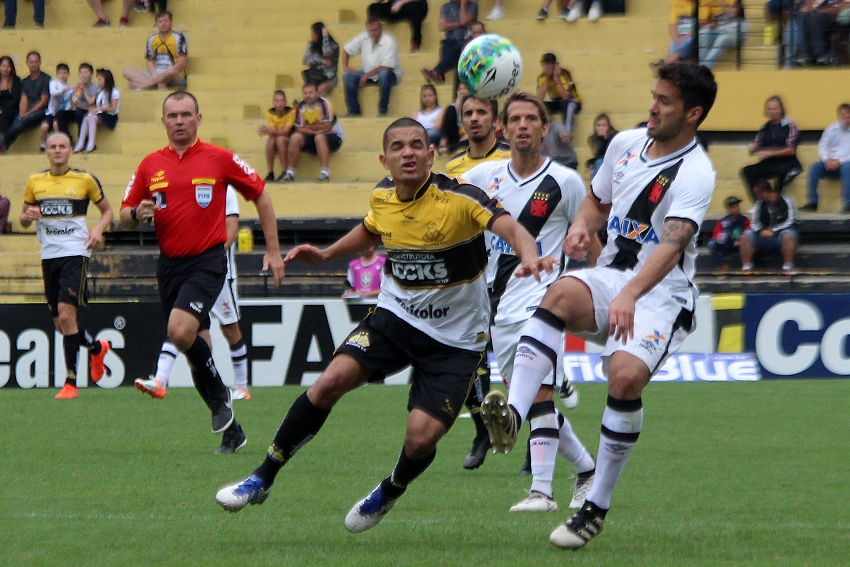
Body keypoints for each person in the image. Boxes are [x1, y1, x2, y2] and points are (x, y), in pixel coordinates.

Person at [214, 117, 550, 533]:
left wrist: (530, 255)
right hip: (395, 319)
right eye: (397, 146)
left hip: (457, 340)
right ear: (384, 159)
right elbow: (371, 231)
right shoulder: (383, 195)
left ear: (431, 155)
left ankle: (390, 489)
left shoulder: (461, 198)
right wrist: (326, 254)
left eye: (416, 145)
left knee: (421, 438)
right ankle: (262, 476)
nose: (407, 152)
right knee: (328, 383)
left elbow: (513, 228)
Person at [478, 63, 718, 549]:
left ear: (693, 114)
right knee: (560, 292)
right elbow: (595, 201)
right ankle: (516, 415)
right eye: (654, 96)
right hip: (613, 276)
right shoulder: (625, 145)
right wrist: (582, 228)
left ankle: (596, 506)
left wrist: (631, 294)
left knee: (625, 379)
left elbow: (673, 244)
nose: (653, 107)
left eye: (666, 102)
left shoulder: (696, 171)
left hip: (662, 294)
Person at [120, 91, 285, 453]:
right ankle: (231, 427)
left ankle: (223, 400)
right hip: (169, 266)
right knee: (199, 352)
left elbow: (261, 195)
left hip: (208, 262)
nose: (179, 121)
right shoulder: (150, 165)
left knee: (179, 331)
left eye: (186, 114)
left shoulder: (219, 159)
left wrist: (273, 250)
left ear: (199, 118)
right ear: (162, 121)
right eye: (172, 115)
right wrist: (136, 214)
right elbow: (125, 213)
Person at [462, 92, 598, 513]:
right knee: (538, 399)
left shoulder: (566, 182)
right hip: (496, 306)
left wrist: (603, 289)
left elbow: (590, 238)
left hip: (544, 301)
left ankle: (542, 491)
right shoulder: (483, 177)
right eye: (515, 119)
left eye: (531, 119)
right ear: (503, 130)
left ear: (545, 128)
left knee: (535, 390)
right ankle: (587, 469)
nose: (522, 125)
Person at [135, 186, 253, 414]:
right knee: (182, 324)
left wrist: (211, 258)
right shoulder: (182, 183)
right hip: (190, 273)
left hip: (218, 272)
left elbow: (231, 228)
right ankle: (160, 380)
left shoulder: (223, 187)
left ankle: (241, 387)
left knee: (230, 328)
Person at [19, 133, 113, 399]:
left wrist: (97, 230)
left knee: (66, 315)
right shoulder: (35, 182)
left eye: (62, 146)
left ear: (71, 151)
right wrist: (27, 215)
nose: (57, 151)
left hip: (75, 253)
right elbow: (24, 219)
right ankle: (96, 349)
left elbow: (108, 211)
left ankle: (70, 383)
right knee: (61, 325)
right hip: (49, 256)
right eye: (52, 147)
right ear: (45, 152)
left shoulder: (84, 180)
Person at [739, 95, 802, 199]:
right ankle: (758, 203)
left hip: (788, 163)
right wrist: (753, 148)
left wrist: (769, 153)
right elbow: (758, 145)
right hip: (770, 163)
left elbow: (791, 150)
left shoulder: (789, 125)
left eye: (775, 108)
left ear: (781, 109)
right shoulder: (765, 128)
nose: (772, 112)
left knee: (781, 173)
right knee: (747, 171)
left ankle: (779, 201)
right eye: (769, 109)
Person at [281, 83, 344, 183]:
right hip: (314, 136)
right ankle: (290, 173)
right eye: (305, 93)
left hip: (333, 136)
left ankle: (325, 173)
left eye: (311, 92)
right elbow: (298, 128)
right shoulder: (300, 106)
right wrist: (315, 130)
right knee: (295, 137)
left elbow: (327, 126)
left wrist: (307, 127)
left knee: (319, 137)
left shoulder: (324, 104)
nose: (308, 95)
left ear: (317, 93)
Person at [342, 18, 403, 117]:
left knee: (384, 74)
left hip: (390, 74)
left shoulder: (389, 41)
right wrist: (346, 67)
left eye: (375, 30)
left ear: (381, 29)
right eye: (370, 30)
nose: (373, 33)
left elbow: (387, 67)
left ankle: (383, 110)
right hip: (368, 73)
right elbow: (346, 49)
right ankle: (354, 111)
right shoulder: (364, 37)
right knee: (348, 75)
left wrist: (367, 75)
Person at [740, 179, 798, 272]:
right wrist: (761, 231)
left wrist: (774, 231)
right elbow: (754, 222)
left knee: (788, 235)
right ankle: (747, 267)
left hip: (780, 234)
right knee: (745, 236)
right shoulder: (759, 204)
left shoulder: (787, 200)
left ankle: (788, 266)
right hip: (763, 234)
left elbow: (790, 220)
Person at [801, 103, 850, 213]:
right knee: (815, 167)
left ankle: (848, 204)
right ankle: (813, 202)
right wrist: (826, 159)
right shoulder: (831, 129)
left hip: (846, 164)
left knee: (847, 168)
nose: (846, 119)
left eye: (848, 116)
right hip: (830, 163)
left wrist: (839, 161)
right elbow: (822, 145)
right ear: (839, 116)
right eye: (844, 116)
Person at [123, 11, 188, 91]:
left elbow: (183, 62)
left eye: (165, 21)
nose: (163, 24)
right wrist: (155, 75)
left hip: (173, 75)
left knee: (170, 71)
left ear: (171, 22)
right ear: (156, 24)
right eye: (160, 21)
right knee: (127, 71)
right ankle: (157, 83)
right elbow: (150, 61)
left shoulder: (179, 37)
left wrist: (163, 75)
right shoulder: (152, 38)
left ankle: (147, 84)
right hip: (157, 74)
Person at [1, 52, 50, 153]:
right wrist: (22, 112)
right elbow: (24, 99)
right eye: (31, 62)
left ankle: (3, 140)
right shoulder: (25, 81)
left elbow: (44, 101)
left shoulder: (45, 78)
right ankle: (3, 146)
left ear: (40, 62)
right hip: (26, 111)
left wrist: (27, 113)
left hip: (41, 111)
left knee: (22, 121)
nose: (33, 64)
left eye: (36, 62)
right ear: (27, 63)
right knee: (17, 124)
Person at [420, 0, 479, 84]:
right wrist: (459, 24)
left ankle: (438, 72)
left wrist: (463, 5)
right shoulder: (446, 6)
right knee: (447, 49)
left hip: (465, 40)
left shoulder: (472, 5)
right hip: (449, 41)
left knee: (457, 49)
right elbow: (442, 26)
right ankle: (439, 73)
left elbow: (465, 20)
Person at [653, 0, 724, 67]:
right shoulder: (677, 2)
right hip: (681, 35)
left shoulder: (703, 2)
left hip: (694, 34)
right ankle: (671, 63)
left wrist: (686, 37)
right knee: (673, 43)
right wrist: (676, 38)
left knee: (689, 40)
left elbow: (701, 22)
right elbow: (672, 23)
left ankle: (666, 63)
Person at [74, 69, 119, 154]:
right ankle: (80, 143)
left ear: (107, 80)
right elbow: (91, 101)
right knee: (87, 117)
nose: (98, 82)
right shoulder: (99, 91)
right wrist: (83, 90)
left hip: (110, 116)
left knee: (91, 118)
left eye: (100, 79)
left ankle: (91, 145)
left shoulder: (114, 92)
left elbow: (113, 108)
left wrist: (100, 108)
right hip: (100, 113)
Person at [536, 53, 582, 135]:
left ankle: (567, 134)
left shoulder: (564, 74)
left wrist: (556, 78)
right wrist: (547, 79)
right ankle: (546, 133)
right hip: (556, 100)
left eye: (550, 64)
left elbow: (566, 96)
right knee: (540, 106)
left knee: (568, 105)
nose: (548, 67)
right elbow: (539, 98)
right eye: (546, 64)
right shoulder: (542, 77)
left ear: (555, 64)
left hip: (573, 100)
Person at [793, 0, 850, 66]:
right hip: (820, 13)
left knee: (815, 19)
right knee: (802, 16)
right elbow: (810, 5)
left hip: (838, 16)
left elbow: (843, 7)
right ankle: (807, 54)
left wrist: (817, 10)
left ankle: (821, 55)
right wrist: (807, 7)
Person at [258, 90, 295, 182]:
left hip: (290, 138)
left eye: (282, 101)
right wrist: (269, 131)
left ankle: (284, 171)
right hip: (279, 136)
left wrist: (268, 131)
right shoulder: (269, 113)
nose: (280, 104)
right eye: (277, 101)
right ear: (273, 102)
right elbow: (273, 131)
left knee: (279, 139)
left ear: (286, 102)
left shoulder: (291, 112)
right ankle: (270, 172)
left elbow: (286, 131)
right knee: (271, 140)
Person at [698, 0, 747, 69]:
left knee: (722, 38)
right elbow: (709, 20)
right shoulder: (708, 2)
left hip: (737, 34)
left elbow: (731, 13)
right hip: (720, 31)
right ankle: (701, 65)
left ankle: (705, 67)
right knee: (702, 33)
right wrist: (710, 24)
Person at [56, 63, 98, 144]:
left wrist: (84, 89)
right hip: (80, 110)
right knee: (60, 114)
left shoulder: (96, 88)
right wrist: (76, 90)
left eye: (86, 72)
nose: (83, 75)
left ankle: (84, 139)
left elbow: (91, 102)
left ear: (91, 75)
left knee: (79, 111)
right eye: (81, 73)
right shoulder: (78, 87)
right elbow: (74, 102)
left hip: (89, 112)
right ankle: (68, 139)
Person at [707, 195, 750, 267]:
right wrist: (719, 238)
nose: (736, 209)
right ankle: (721, 265)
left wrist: (741, 241)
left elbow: (748, 233)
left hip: (739, 245)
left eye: (737, 206)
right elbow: (716, 236)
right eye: (733, 207)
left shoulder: (744, 220)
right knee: (711, 244)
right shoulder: (722, 221)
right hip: (727, 244)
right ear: (728, 209)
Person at [40, 64, 73, 150]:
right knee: (44, 127)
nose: (62, 75)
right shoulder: (54, 83)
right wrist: (64, 89)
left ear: (68, 74)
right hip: (51, 111)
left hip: (61, 113)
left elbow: (70, 102)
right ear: (57, 74)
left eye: (65, 73)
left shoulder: (71, 88)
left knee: (56, 124)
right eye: (60, 73)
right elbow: (53, 92)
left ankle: (57, 145)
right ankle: (43, 146)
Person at [302, 22, 340, 96]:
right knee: (308, 91)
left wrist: (325, 37)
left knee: (315, 93)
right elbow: (305, 59)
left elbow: (327, 54)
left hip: (329, 77)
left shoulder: (333, 45)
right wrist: (321, 60)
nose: (312, 36)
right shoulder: (311, 45)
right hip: (315, 76)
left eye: (314, 34)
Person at [438, 82, 470, 154]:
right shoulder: (455, 105)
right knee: (451, 109)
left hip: (468, 136)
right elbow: (453, 114)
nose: (463, 91)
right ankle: (443, 140)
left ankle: (450, 147)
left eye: (465, 89)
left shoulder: (475, 105)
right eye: (460, 89)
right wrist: (459, 98)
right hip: (455, 135)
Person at [586, 113, 618, 181]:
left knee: (599, 162)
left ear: (609, 126)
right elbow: (600, 154)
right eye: (598, 125)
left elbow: (608, 154)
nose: (601, 128)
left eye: (604, 125)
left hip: (617, 161)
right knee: (597, 163)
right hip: (606, 163)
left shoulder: (615, 136)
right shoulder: (595, 139)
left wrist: (606, 138)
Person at [0, 56, 21, 138]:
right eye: (3, 66)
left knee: (2, 116)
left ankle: (4, 140)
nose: (5, 69)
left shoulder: (16, 80)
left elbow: (15, 99)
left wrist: (3, 110)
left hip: (12, 109)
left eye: (8, 66)